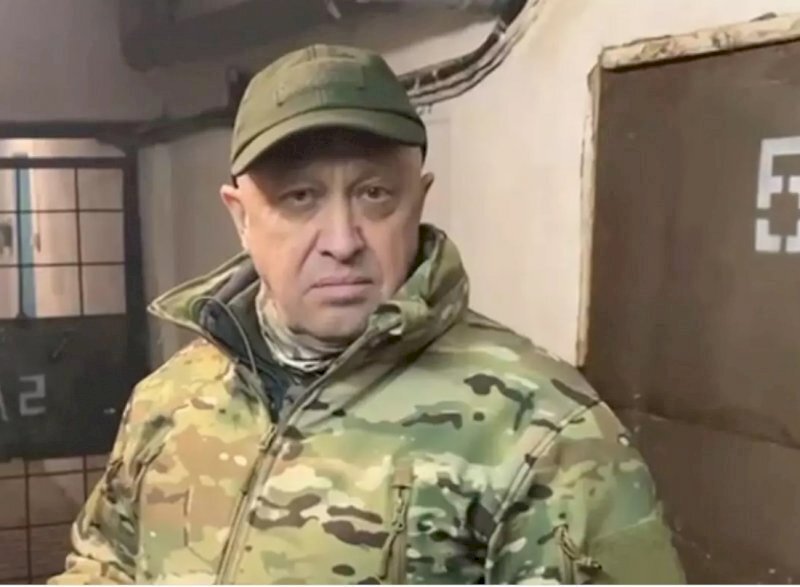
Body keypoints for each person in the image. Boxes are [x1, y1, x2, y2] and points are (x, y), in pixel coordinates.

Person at [49, 44, 684, 585]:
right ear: (240, 217)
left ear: (419, 200)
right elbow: (106, 563)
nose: (342, 239)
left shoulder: (540, 431)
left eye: (374, 194)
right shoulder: (172, 399)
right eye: (300, 197)